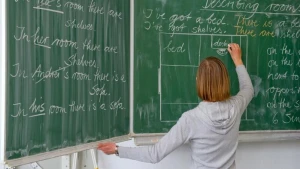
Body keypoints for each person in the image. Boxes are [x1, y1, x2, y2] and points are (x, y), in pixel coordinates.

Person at [98, 43, 254, 169]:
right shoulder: (236, 106)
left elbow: (155, 154)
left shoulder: (191, 119)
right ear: (225, 81)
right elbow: (248, 89)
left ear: (198, 82)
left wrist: (118, 150)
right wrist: (238, 60)